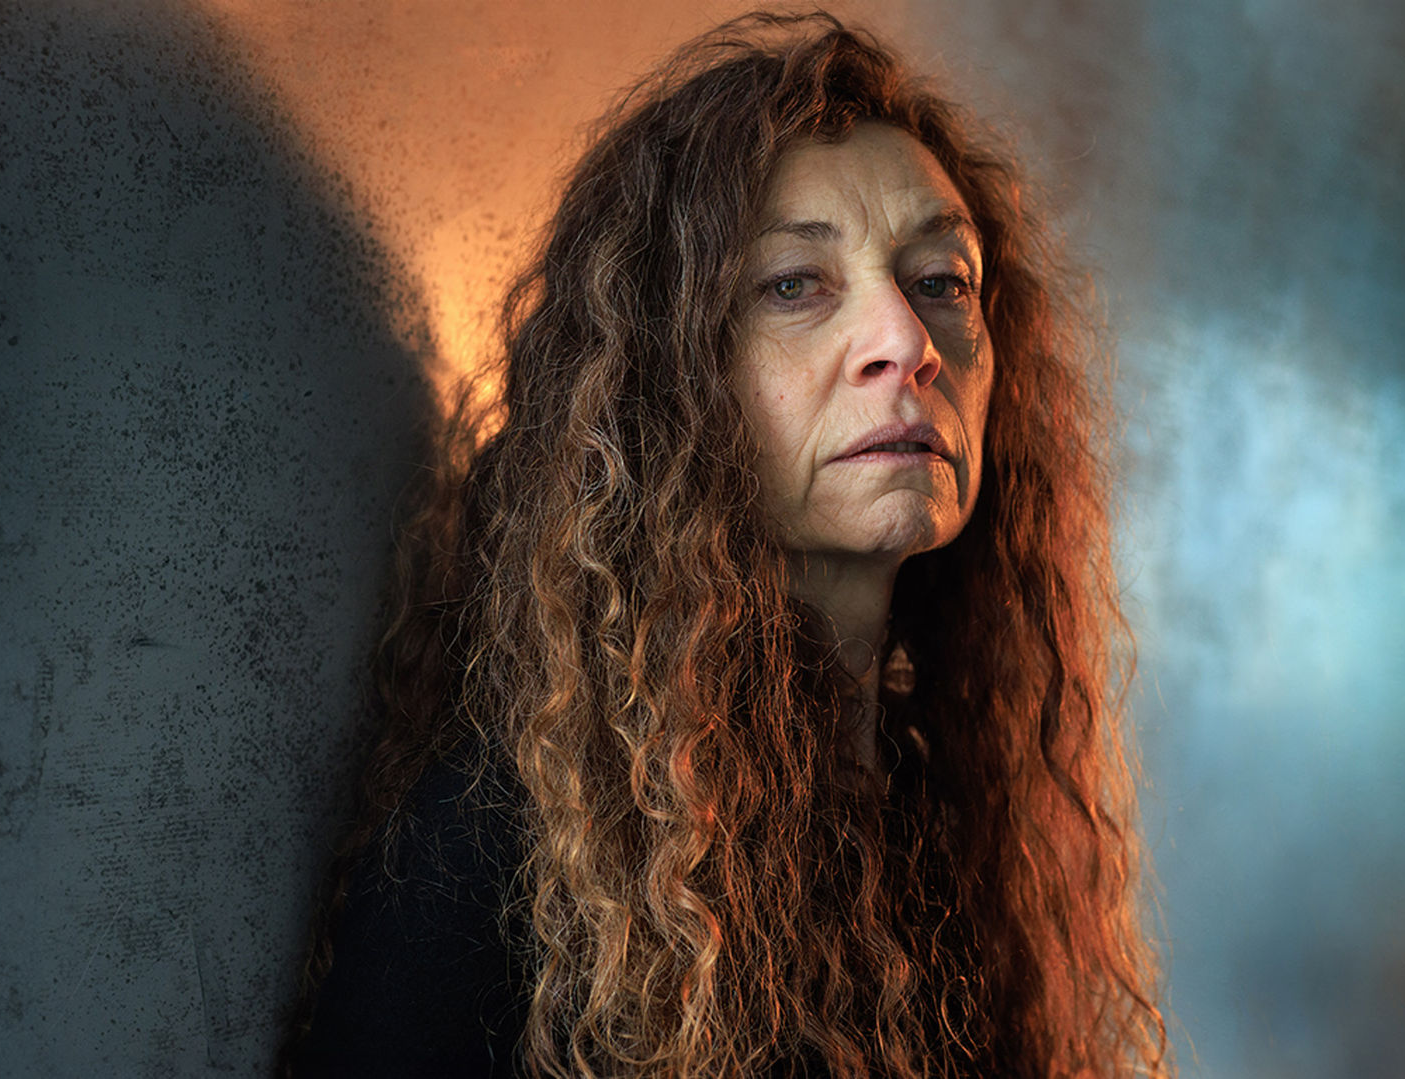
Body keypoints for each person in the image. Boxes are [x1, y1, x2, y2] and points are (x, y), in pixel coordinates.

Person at [287, 11, 1167, 1077]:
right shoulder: (501, 857)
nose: (905, 342)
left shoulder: (957, 831)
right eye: (794, 283)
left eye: (941, 280)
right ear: (669, 382)